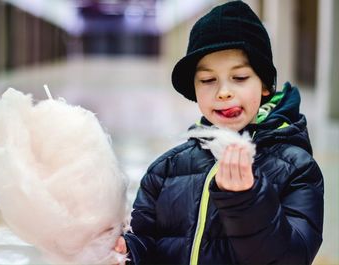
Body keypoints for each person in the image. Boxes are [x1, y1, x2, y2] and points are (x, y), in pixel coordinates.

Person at [114, 1, 324, 264]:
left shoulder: (297, 169)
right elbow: (149, 242)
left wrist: (247, 202)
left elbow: (293, 257)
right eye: (208, 80)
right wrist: (128, 251)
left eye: (239, 78)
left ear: (264, 86)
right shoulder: (166, 170)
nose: (224, 92)